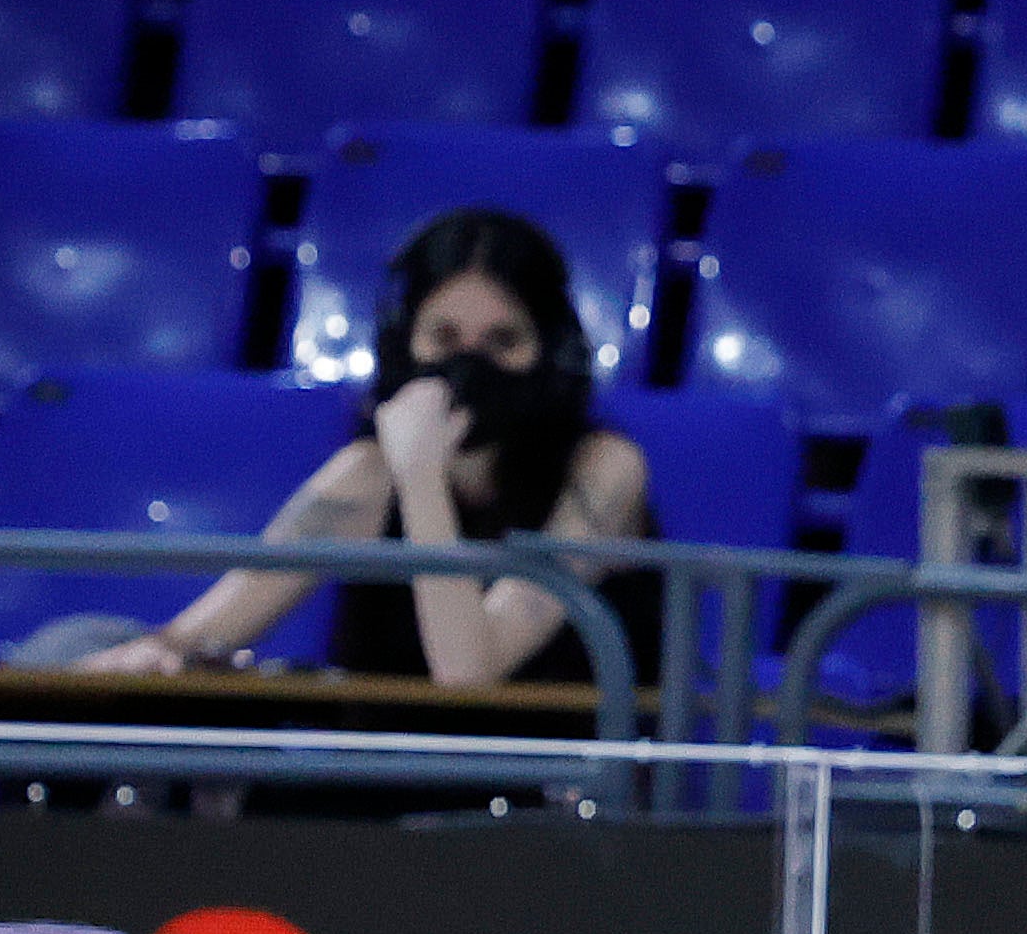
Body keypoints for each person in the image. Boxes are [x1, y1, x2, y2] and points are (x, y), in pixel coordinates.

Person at [88, 205, 650, 686]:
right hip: (383, 787)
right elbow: (197, 634)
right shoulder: (368, 474)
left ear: (552, 351)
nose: (469, 364)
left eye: (503, 341)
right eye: (444, 337)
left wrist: (422, 479)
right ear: (403, 343)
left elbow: (468, 673)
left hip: (550, 786)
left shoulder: (604, 470)